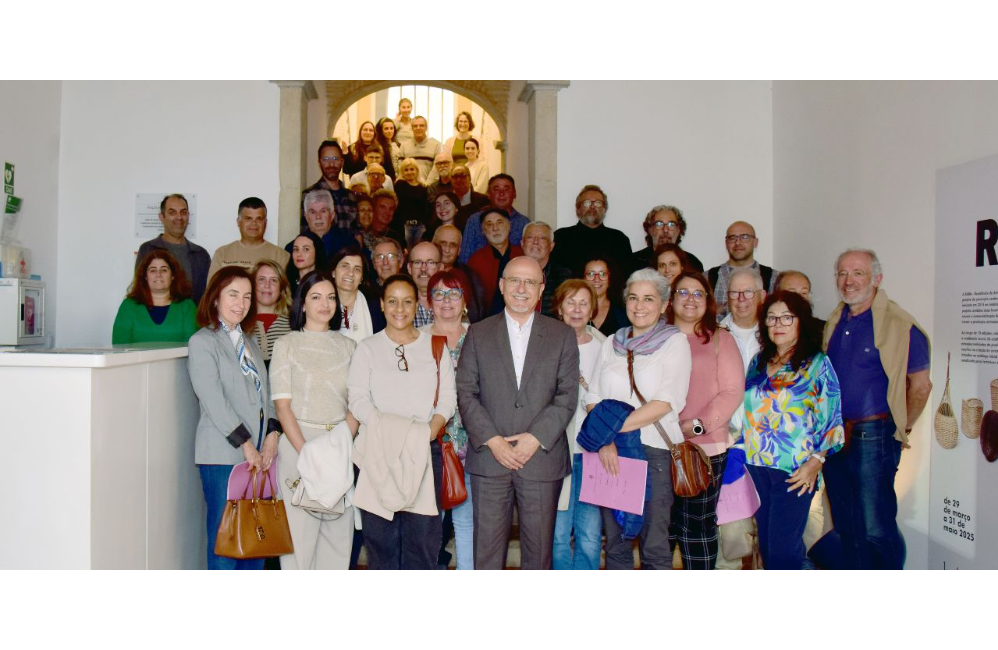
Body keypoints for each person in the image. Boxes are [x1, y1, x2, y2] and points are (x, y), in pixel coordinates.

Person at [457, 257, 579, 570]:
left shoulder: (562, 335)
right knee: (486, 556)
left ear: (541, 289)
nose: (521, 288)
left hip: (541, 459)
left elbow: (567, 396)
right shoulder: (478, 333)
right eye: (514, 280)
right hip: (490, 458)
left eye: (530, 282)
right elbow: (466, 394)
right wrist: (493, 440)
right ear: (502, 285)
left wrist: (535, 438)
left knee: (538, 557)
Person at [822, 249, 931, 570]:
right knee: (845, 524)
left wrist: (902, 427)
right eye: (842, 273)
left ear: (877, 279)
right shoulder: (835, 320)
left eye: (858, 273)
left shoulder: (900, 325)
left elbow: (921, 386)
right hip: (835, 435)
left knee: (875, 527)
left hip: (875, 435)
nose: (848, 280)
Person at [347, 274, 457, 570]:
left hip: (424, 451)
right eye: (392, 301)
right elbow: (357, 399)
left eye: (407, 301)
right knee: (381, 541)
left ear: (417, 304)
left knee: (421, 542)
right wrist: (389, 431)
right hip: (376, 451)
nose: (400, 308)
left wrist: (426, 432)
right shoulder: (367, 348)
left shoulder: (435, 347)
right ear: (382, 305)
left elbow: (448, 399)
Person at [585, 269, 692, 570]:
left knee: (654, 547)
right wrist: (606, 442)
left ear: (664, 304)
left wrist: (610, 431)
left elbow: (665, 403)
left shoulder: (675, 342)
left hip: (653, 453)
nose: (639, 305)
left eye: (649, 299)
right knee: (616, 544)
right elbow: (592, 396)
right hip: (610, 454)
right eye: (633, 298)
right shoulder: (612, 342)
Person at [742, 290, 845, 569]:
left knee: (784, 553)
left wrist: (816, 462)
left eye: (787, 317)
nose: (778, 324)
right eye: (772, 317)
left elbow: (832, 419)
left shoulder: (817, 363)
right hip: (756, 467)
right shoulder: (758, 363)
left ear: (801, 321)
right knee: (768, 548)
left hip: (795, 470)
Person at [188, 266, 281, 570]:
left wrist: (271, 436)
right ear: (215, 298)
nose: (241, 303)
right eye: (233, 295)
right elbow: (214, 400)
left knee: (254, 544)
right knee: (225, 547)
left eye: (247, 296)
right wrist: (246, 445)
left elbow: (266, 394)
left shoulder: (250, 342)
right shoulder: (203, 342)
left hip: (258, 457)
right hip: (224, 456)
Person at [270, 269, 358, 570]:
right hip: (299, 447)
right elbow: (283, 407)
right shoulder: (286, 344)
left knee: (338, 542)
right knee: (299, 543)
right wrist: (308, 451)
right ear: (303, 303)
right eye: (316, 297)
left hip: (339, 446)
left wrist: (342, 442)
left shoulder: (349, 347)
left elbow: (357, 403)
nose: (325, 304)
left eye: (331, 297)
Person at [667, 271, 744, 570]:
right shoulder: (656, 337)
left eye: (698, 293)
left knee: (697, 528)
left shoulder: (721, 339)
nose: (690, 299)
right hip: (659, 447)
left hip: (705, 449)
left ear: (708, 301)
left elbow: (732, 391)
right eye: (683, 292)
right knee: (660, 528)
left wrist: (697, 425)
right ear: (671, 299)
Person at [551, 279, 606, 570]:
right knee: (557, 533)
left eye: (584, 303)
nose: (576, 309)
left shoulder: (605, 346)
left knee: (589, 533)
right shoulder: (546, 344)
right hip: (556, 450)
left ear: (592, 309)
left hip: (593, 451)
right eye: (570, 303)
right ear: (559, 308)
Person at [421, 269, 474, 569]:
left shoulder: (480, 337)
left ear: (465, 300)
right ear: (429, 301)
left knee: (467, 522)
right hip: (430, 441)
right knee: (429, 523)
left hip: (473, 442)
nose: (446, 300)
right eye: (438, 294)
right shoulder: (416, 339)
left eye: (454, 293)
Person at [137, 193, 211, 304]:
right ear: (162, 217)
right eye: (172, 212)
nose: (179, 217)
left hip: (192, 315)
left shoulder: (200, 255)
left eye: (183, 212)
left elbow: (207, 296)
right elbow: (140, 289)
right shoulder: (148, 250)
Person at [113, 250, 198, 344]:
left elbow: (191, 347)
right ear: (145, 276)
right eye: (153, 270)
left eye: (164, 270)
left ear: (173, 275)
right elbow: (120, 346)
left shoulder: (187, 307)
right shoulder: (129, 306)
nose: (158, 275)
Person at [551, 185, 633, 279]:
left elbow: (626, 277)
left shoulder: (619, 240)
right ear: (578, 209)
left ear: (604, 209)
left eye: (598, 203)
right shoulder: (561, 237)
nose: (592, 207)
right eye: (587, 203)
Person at [708, 221, 777, 321]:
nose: (738, 243)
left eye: (744, 237)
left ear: (755, 242)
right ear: (726, 243)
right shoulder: (707, 278)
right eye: (732, 238)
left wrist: (722, 309)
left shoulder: (774, 278)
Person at [208, 197, 290, 280]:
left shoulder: (280, 256)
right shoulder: (222, 254)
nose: (254, 223)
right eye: (248, 218)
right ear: (238, 222)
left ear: (265, 223)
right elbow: (212, 287)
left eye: (259, 219)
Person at [459, 174, 530, 264]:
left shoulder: (524, 223)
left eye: (506, 189)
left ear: (514, 194)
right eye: (496, 189)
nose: (501, 193)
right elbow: (465, 258)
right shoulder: (475, 220)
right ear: (489, 194)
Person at [467, 208, 524, 317]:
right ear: (483, 231)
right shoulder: (476, 261)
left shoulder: (522, 256)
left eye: (499, 222)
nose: (495, 228)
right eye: (489, 224)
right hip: (487, 319)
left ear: (509, 226)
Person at [330, 246, 386, 342]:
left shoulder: (375, 308)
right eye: (345, 266)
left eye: (357, 269)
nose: (350, 273)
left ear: (362, 278)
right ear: (333, 272)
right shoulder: (322, 304)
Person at [302, 140, 358, 233]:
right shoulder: (309, 194)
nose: (331, 164)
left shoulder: (351, 196)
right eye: (326, 159)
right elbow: (305, 233)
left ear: (342, 162)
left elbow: (357, 232)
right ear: (319, 163)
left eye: (335, 158)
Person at [433, 224, 485, 323]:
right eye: (443, 243)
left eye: (453, 245)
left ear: (459, 251)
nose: (447, 250)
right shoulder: (422, 272)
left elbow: (477, 314)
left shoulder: (470, 277)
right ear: (433, 243)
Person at [632, 205, 704, 274]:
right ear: (650, 229)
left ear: (679, 230)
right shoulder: (634, 262)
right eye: (659, 224)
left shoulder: (692, 263)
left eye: (671, 224)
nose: (665, 230)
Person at [719, 268, 767, 372]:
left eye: (748, 291)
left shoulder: (773, 333)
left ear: (762, 296)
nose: (741, 298)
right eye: (734, 292)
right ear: (727, 298)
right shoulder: (715, 335)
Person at [522, 222, 571, 317]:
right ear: (522, 244)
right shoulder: (511, 273)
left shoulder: (563, 276)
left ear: (551, 246)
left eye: (542, 238)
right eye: (530, 237)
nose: (535, 242)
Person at [251, 260, 292, 370]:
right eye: (261, 279)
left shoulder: (293, 326)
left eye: (274, 280)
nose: (267, 285)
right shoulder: (240, 324)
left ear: (281, 288)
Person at [296, 190, 356, 261]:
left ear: (332, 215)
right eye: (313, 212)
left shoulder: (349, 245)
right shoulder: (295, 248)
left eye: (323, 211)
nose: (318, 217)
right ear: (306, 217)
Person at [585, 258, 629, 338]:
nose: (597, 279)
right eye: (591, 274)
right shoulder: (573, 311)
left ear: (609, 279)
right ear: (583, 278)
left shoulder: (622, 313)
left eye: (603, 274)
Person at [392, 159, 430, 247]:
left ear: (417, 170)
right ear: (402, 172)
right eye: (406, 170)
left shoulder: (423, 187)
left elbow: (425, 209)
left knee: (419, 251)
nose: (409, 172)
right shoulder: (399, 185)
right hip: (405, 226)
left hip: (420, 226)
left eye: (412, 169)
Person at [408, 241, 442, 328]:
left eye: (431, 262)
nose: (423, 268)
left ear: (440, 268)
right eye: (417, 262)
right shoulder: (399, 306)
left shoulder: (451, 304)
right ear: (409, 268)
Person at [286, 231, 328, 300]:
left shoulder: (325, 284)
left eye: (306, 249)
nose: (299, 254)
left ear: (317, 252)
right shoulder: (285, 285)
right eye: (296, 249)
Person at [399, 116, 441, 182]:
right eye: (415, 126)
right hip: (409, 185)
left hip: (429, 185)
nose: (418, 128)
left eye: (421, 125)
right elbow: (401, 168)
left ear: (426, 128)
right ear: (411, 128)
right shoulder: (404, 146)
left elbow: (436, 169)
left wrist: (427, 184)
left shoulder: (436, 145)